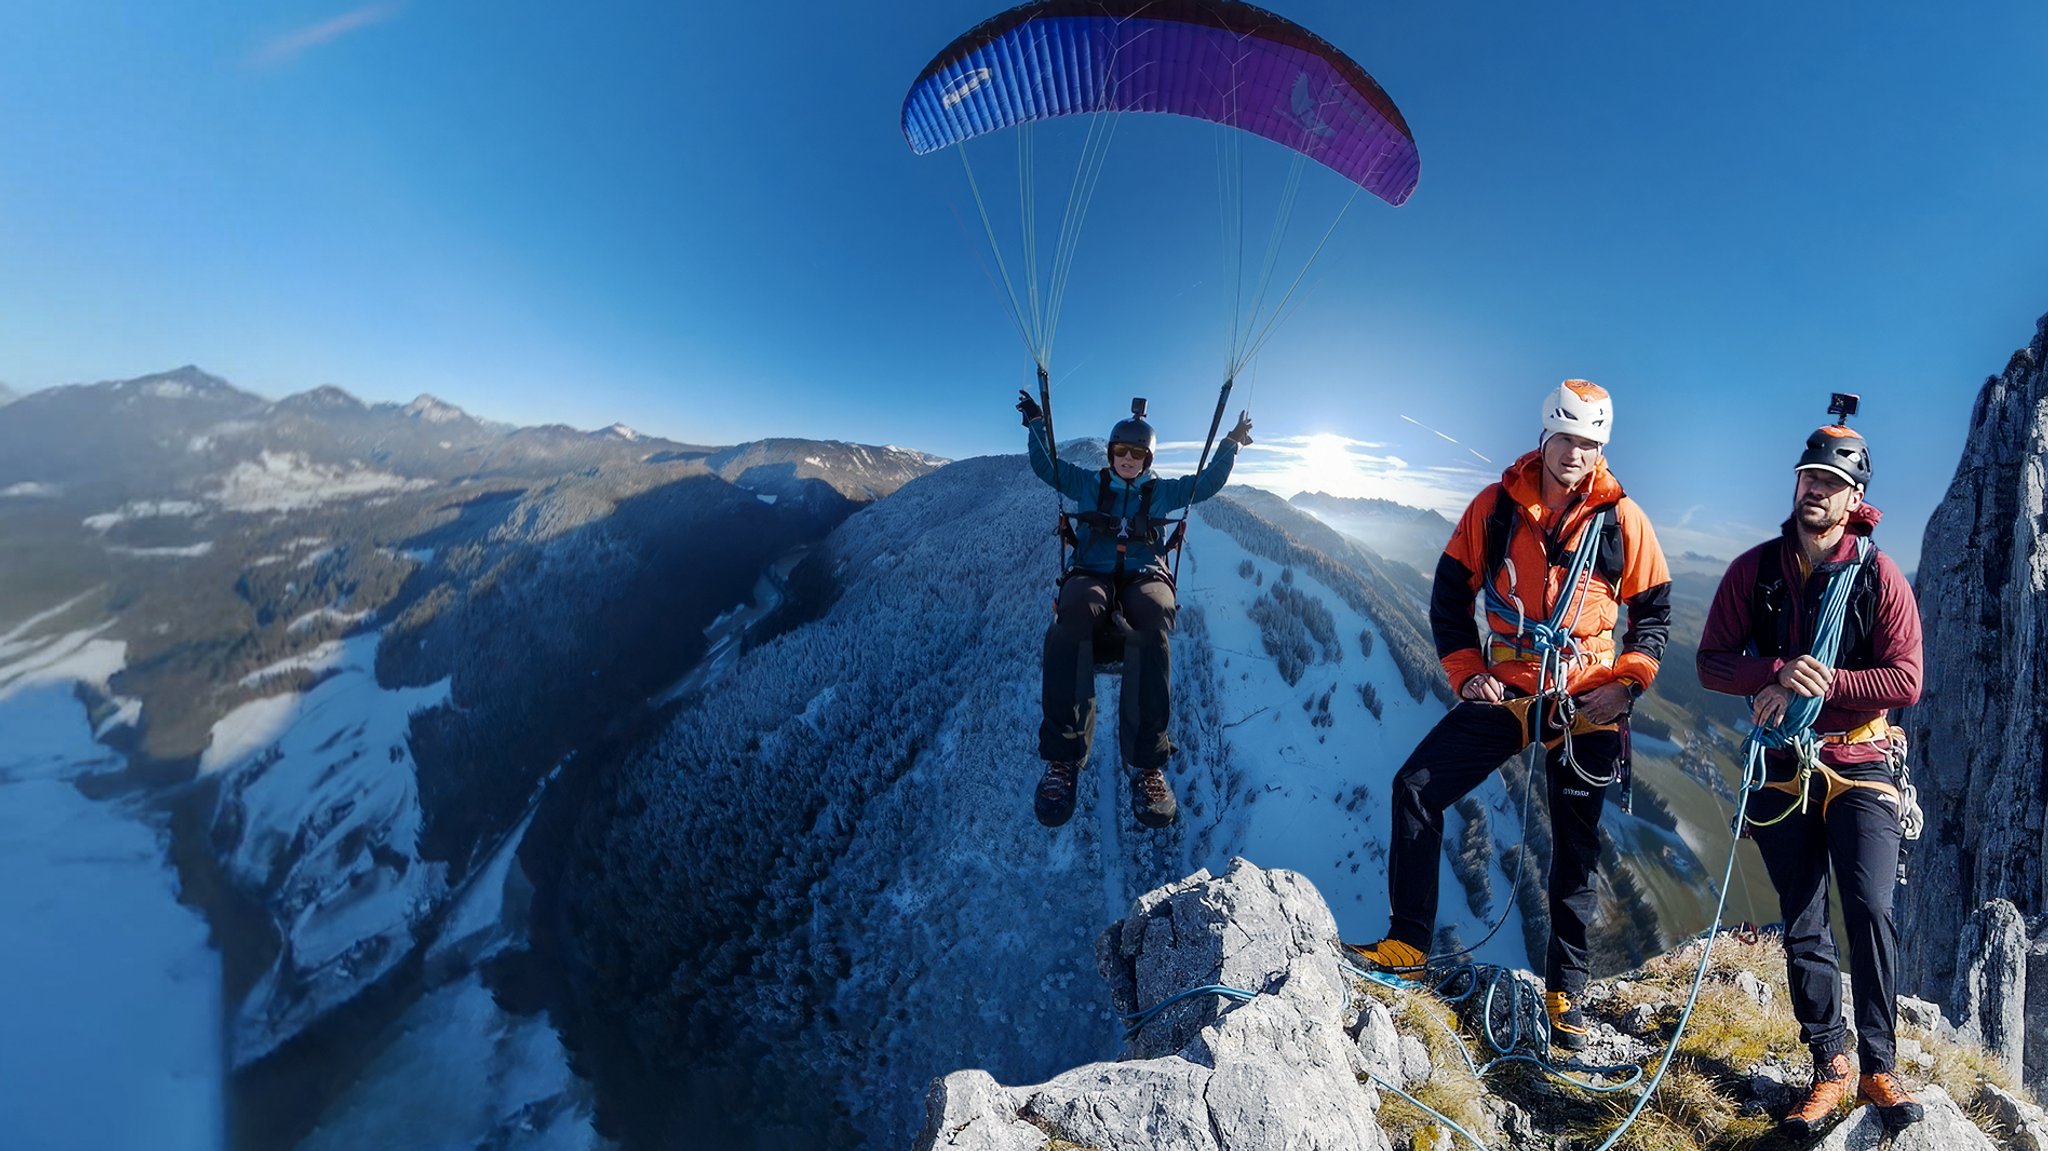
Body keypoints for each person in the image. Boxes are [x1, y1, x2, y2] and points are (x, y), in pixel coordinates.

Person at [1350, 379, 1672, 1053]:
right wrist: (1467, 673)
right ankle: (1408, 942)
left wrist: (1627, 688)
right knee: (1416, 788)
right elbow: (1449, 595)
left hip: (1585, 700)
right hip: (1509, 690)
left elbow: (1654, 616)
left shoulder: (1621, 521)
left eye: (1590, 443)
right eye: (1567, 438)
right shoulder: (1496, 507)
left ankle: (1566, 991)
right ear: (1544, 435)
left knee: (1575, 851)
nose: (1576, 453)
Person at [1696, 418, 1925, 1136]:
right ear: (1795, 485)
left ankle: (1878, 1064)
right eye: (1808, 479)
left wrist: (1814, 686)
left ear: (1854, 497)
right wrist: (1771, 671)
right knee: (1802, 918)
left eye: (1830, 483)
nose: (1815, 492)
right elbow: (1711, 661)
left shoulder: (1878, 576)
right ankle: (1829, 1061)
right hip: (1786, 761)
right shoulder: (1756, 570)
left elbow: (1906, 680)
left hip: (1860, 760)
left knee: (1868, 905)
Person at [1016, 389, 1252, 829]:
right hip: (1092, 571)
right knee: (1072, 615)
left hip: (1145, 574)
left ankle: (1147, 765)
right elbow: (1047, 468)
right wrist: (1035, 423)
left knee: (1153, 616)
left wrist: (1230, 444)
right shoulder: (1089, 484)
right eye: (1121, 450)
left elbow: (1205, 484)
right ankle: (1063, 760)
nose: (1128, 458)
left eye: (1137, 452)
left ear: (1148, 458)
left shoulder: (1161, 493)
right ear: (1111, 453)